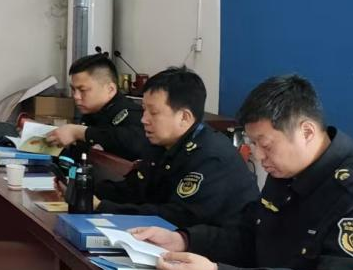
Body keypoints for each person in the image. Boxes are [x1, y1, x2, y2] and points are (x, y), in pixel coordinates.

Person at [134, 75, 353, 270]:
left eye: (265, 145)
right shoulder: (285, 170)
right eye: (252, 144)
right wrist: (184, 240)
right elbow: (249, 236)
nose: (258, 156)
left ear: (306, 132)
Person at [91, 66, 258, 228]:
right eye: (144, 110)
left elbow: (176, 217)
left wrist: (103, 207)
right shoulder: (162, 144)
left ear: (184, 117)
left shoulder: (211, 158)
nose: (144, 119)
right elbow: (134, 190)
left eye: (153, 113)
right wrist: (87, 191)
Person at [46, 52, 155, 161]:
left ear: (110, 89)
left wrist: (80, 132)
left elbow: (135, 143)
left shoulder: (131, 114)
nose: (76, 96)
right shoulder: (91, 114)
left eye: (82, 90)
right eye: (74, 90)